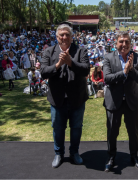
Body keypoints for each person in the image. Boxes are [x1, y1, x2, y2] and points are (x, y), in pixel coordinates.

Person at [40, 24, 90, 168]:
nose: (64, 37)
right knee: (58, 128)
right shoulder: (49, 52)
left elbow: (86, 70)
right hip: (57, 99)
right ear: (56, 37)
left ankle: (74, 152)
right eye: (61, 34)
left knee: (76, 128)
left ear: (72, 36)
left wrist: (70, 62)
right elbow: (43, 72)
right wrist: (58, 65)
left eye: (67, 34)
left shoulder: (81, 51)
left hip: (77, 99)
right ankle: (59, 153)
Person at [103, 31, 138, 172]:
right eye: (121, 41)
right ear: (116, 43)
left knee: (133, 132)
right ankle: (111, 157)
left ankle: (134, 157)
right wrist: (124, 72)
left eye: (127, 41)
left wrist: (131, 69)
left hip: (131, 102)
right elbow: (107, 78)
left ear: (130, 43)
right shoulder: (108, 57)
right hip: (113, 102)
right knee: (112, 132)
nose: (124, 44)